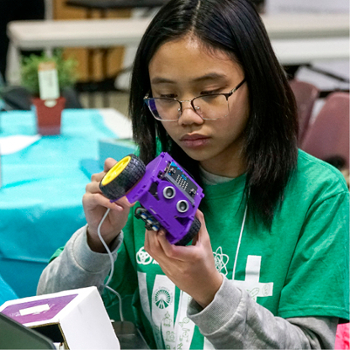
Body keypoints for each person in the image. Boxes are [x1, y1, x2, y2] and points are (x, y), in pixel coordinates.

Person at [37, 0, 349, 348]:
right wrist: (97, 240)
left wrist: (209, 290)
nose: (187, 116)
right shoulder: (147, 188)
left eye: (211, 93)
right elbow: (45, 312)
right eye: (167, 96)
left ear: (258, 82)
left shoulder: (317, 195)